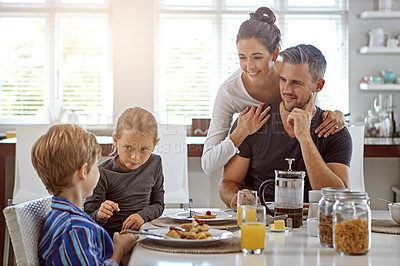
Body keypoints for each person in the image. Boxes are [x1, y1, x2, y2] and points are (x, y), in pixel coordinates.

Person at [201, 7, 346, 176]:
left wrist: (336, 115)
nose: (249, 67)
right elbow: (208, 164)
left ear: (275, 53)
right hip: (257, 169)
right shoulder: (229, 91)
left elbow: (311, 113)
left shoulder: (292, 77)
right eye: (242, 57)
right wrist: (240, 133)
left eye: (257, 57)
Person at [219, 44, 352, 208]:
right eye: (283, 80)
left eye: (296, 83)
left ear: (318, 86)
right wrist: (235, 197)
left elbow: (339, 196)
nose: (286, 90)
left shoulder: (332, 129)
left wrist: (304, 137)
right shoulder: (252, 121)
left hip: (311, 224)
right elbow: (228, 182)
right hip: (260, 223)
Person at [31, 124, 137, 265]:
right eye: (96, 166)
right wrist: (119, 248)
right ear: (84, 171)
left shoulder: (62, 217)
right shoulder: (75, 230)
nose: (98, 171)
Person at [84, 106, 165, 237]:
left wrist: (142, 216)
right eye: (128, 147)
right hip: (112, 240)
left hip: (144, 235)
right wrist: (100, 214)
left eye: (144, 149)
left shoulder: (155, 163)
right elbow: (88, 218)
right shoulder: (102, 173)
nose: (135, 157)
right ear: (115, 141)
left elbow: (158, 204)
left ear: (154, 146)